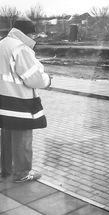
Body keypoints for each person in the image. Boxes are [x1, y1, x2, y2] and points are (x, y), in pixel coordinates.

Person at [0, 17, 51, 182]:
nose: (34, 38)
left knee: (6, 136)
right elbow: (33, 79)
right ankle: (22, 173)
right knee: (22, 138)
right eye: (33, 34)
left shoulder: (2, 44)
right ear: (27, 33)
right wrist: (47, 80)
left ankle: (5, 170)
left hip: (3, 101)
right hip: (19, 101)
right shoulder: (20, 48)